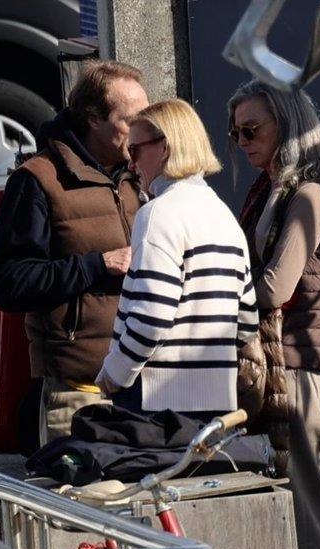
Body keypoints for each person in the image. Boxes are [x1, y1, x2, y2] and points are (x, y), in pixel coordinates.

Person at [227, 80, 320, 549]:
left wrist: (214, 291)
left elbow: (276, 286)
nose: (242, 142)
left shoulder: (309, 193)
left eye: (252, 130)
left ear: (288, 126)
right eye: (235, 133)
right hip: (272, 363)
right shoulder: (269, 189)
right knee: (282, 500)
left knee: (305, 504)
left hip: (292, 365)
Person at [0, 60, 149, 443]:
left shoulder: (140, 175)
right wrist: (98, 265)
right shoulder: (39, 180)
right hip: (79, 395)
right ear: (93, 119)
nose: (142, 131)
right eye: (131, 120)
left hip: (145, 391)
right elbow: (10, 284)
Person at [94, 99, 258, 419]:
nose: (131, 165)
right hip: (218, 400)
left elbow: (151, 316)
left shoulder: (158, 214)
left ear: (165, 148)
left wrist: (114, 374)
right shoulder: (223, 215)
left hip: (157, 401)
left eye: (135, 151)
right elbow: (247, 321)